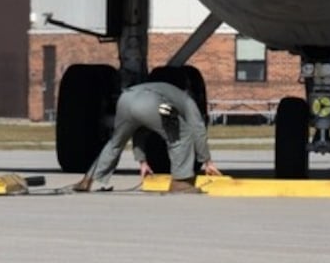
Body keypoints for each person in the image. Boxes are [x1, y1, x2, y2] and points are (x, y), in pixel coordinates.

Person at [72, 80, 220, 193]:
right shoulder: (188, 101)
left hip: (125, 99)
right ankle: (181, 183)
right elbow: (198, 130)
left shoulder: (165, 90)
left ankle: (88, 179)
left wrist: (142, 162)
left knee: (115, 142)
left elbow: (139, 130)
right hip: (149, 101)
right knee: (182, 135)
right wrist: (206, 160)